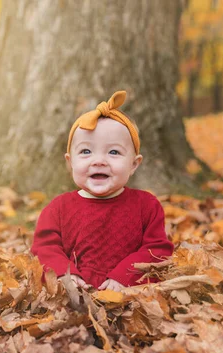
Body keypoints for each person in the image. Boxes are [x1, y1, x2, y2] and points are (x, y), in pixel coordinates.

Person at [31, 90, 174, 291]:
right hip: (73, 300)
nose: (99, 161)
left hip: (129, 297)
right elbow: (44, 248)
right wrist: (64, 274)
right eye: (86, 151)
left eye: (114, 152)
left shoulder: (147, 206)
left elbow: (157, 249)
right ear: (70, 162)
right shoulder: (58, 208)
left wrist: (125, 276)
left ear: (134, 165)